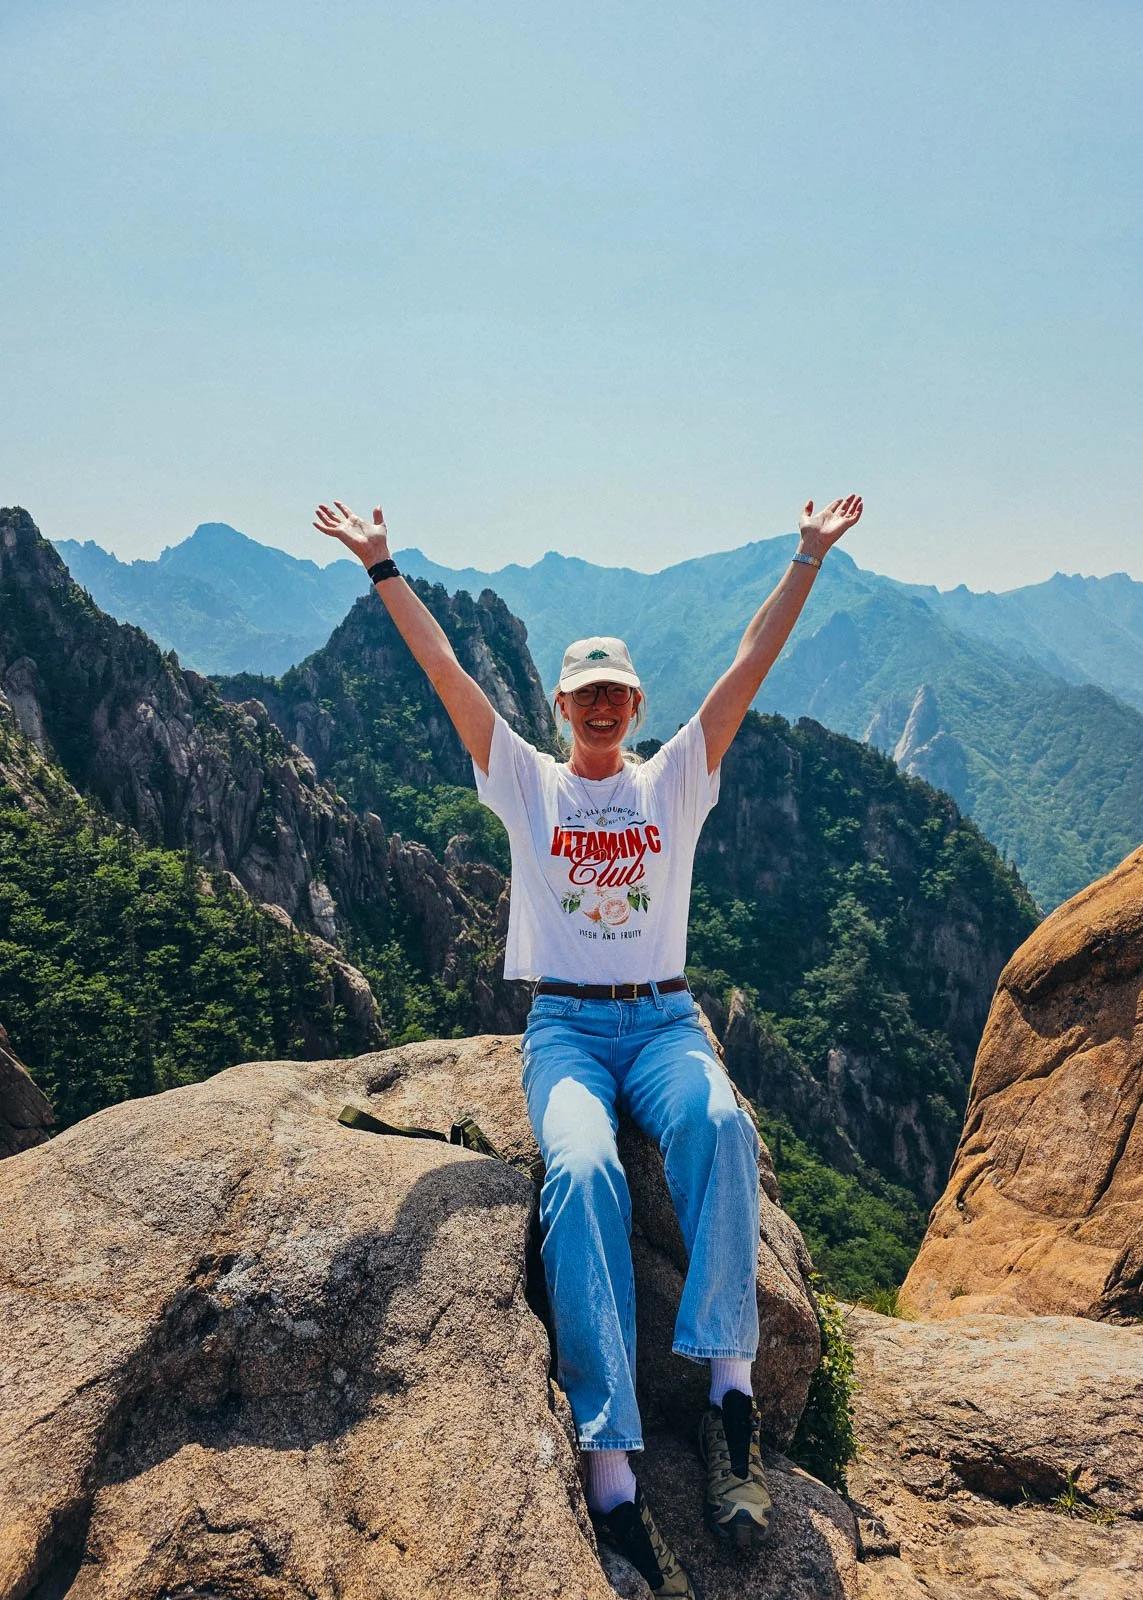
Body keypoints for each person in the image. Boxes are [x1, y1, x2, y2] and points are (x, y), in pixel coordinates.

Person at [315, 493, 864, 1598]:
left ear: (636, 704)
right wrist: (383, 569)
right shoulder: (530, 780)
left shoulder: (675, 781)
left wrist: (806, 557)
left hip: (663, 1017)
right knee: (582, 1167)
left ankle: (728, 1399)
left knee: (718, 1123)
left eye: (618, 692)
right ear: (562, 706)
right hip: (564, 1021)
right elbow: (449, 681)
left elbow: (751, 664)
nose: (603, 708)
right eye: (586, 695)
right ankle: (611, 1465)